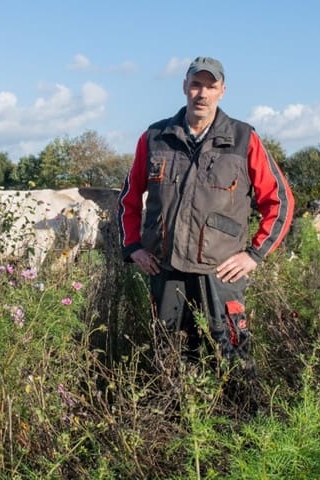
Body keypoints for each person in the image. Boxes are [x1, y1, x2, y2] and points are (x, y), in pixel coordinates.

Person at [117, 56, 294, 401]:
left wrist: (254, 254)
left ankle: (241, 425)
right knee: (167, 355)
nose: (202, 93)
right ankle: (172, 428)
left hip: (220, 272)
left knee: (231, 354)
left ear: (222, 91)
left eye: (210, 86)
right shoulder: (155, 137)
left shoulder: (243, 138)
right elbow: (128, 198)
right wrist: (134, 247)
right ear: (184, 87)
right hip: (165, 268)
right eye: (195, 84)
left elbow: (281, 202)